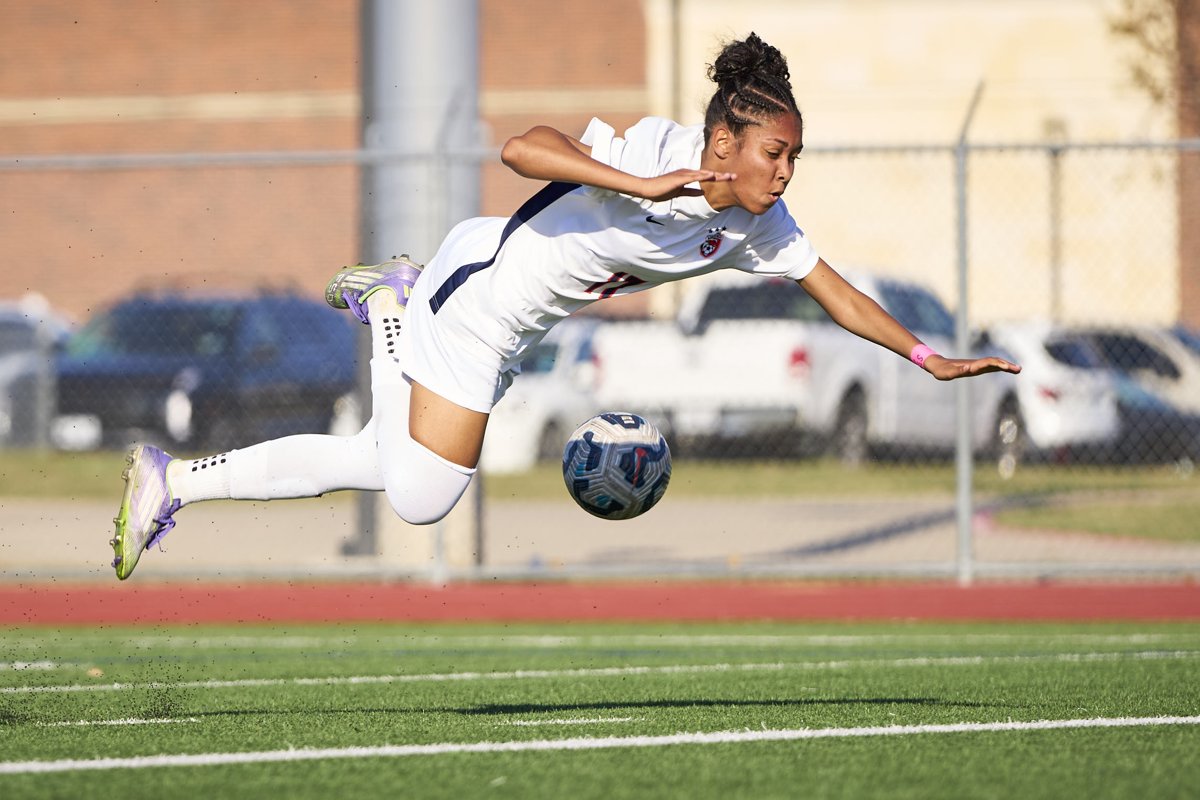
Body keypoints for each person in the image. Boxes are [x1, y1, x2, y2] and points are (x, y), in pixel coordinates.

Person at [109, 33, 1020, 579]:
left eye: (792, 157)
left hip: (504, 322)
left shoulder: (758, 223)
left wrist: (926, 356)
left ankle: (191, 465)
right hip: (478, 299)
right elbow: (521, 149)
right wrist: (639, 183)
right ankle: (370, 323)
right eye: (773, 154)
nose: (784, 173)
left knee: (392, 468)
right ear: (721, 143)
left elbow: (837, 292)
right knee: (419, 493)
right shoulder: (660, 155)